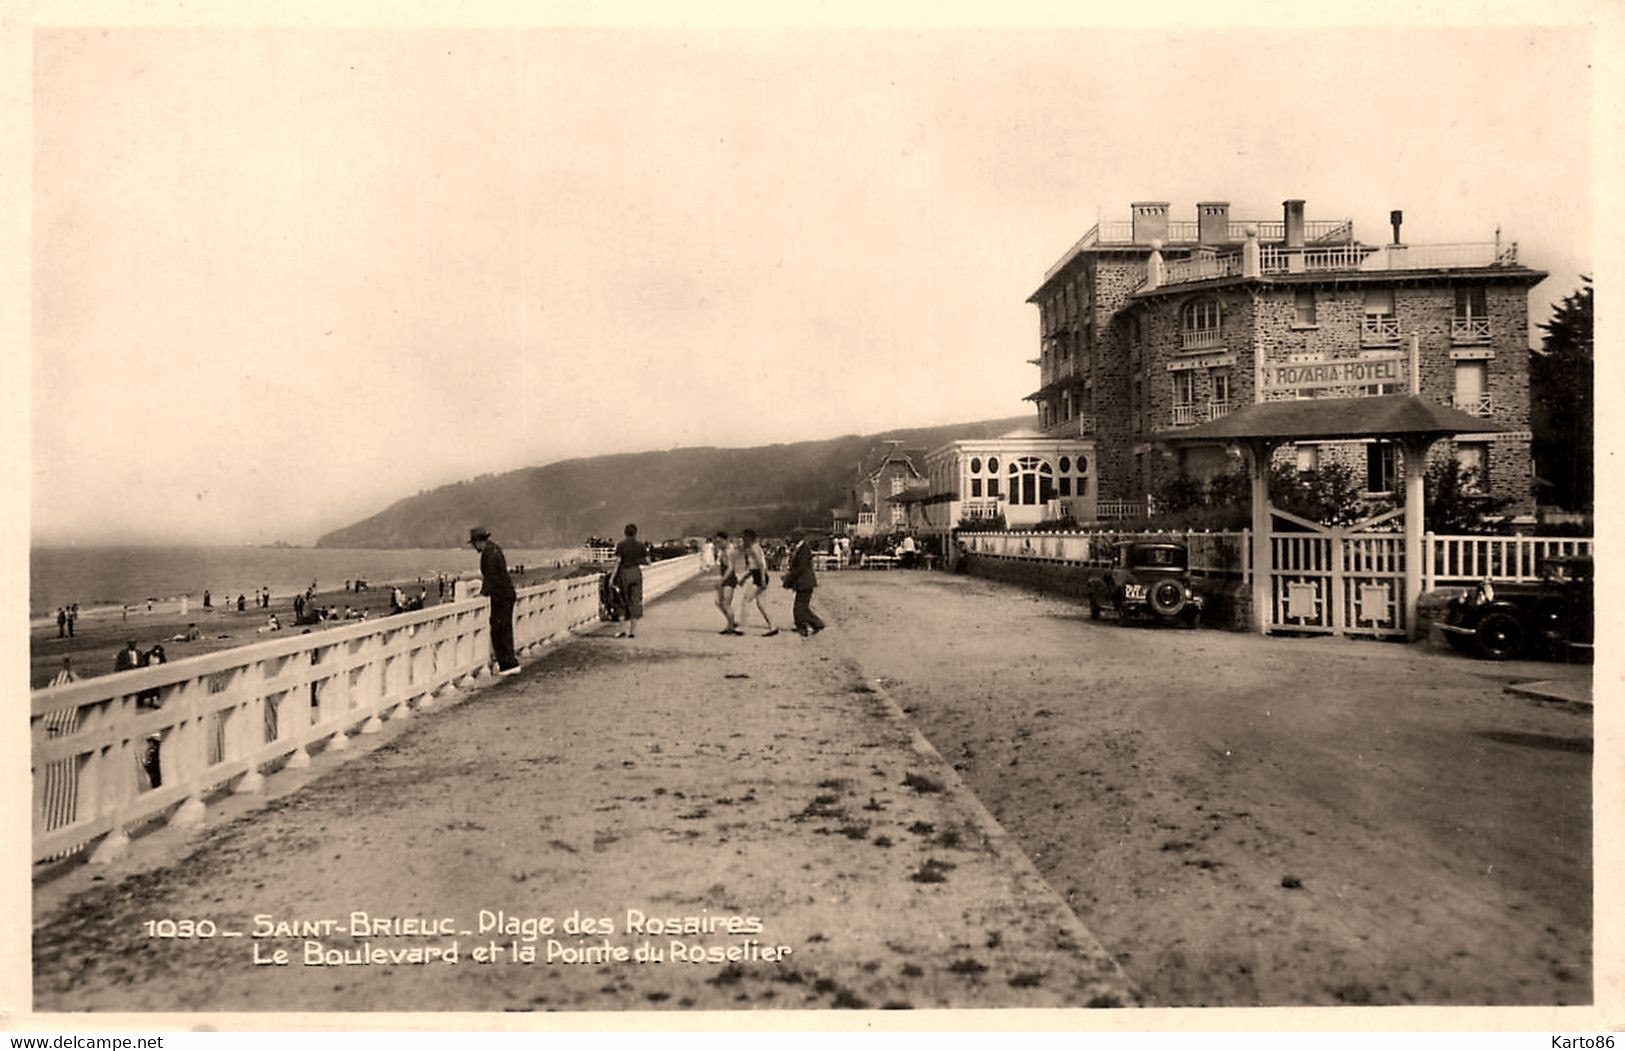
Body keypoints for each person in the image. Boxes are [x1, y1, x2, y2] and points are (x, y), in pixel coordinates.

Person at [470, 526, 520, 675]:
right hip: (505, 594)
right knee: (504, 628)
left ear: (479, 542)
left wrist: (483, 593)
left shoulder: (488, 553)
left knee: (499, 629)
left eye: (474, 544)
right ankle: (509, 663)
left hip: (501, 596)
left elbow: (490, 576)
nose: (474, 548)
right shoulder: (494, 548)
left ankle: (508, 665)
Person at [736, 529, 778, 637]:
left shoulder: (754, 548)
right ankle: (772, 626)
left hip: (759, 577)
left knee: (746, 600)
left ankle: (742, 626)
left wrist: (763, 580)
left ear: (749, 538)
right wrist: (744, 578)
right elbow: (753, 567)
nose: (743, 540)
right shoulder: (753, 548)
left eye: (744, 538)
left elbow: (760, 565)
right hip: (759, 576)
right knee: (761, 604)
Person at [785, 530, 826, 638]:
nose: (792, 538)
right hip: (804, 582)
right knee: (803, 607)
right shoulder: (800, 548)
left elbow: (801, 567)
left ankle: (803, 627)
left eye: (793, 536)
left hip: (805, 582)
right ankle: (816, 624)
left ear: (799, 537)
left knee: (799, 607)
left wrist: (789, 576)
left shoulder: (804, 549)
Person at [612, 523, 650, 638]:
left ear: (625, 533)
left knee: (621, 601)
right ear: (635, 533)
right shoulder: (641, 545)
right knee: (634, 601)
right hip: (636, 573)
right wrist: (638, 560)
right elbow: (648, 562)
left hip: (624, 574)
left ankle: (622, 630)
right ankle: (632, 632)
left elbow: (617, 562)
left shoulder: (621, 545)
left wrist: (612, 578)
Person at [713, 530, 743, 636]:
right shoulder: (724, 550)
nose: (718, 544)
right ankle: (731, 622)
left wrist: (722, 580)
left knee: (726, 603)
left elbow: (730, 568)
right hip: (726, 577)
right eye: (717, 542)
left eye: (720, 542)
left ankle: (731, 626)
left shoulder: (729, 551)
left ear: (725, 540)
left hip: (729, 578)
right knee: (719, 602)